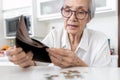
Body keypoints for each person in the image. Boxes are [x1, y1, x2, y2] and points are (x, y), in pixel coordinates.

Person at [6, 0, 111, 68]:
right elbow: (37, 63)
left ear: (89, 18)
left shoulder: (100, 40)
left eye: (80, 12)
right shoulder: (54, 35)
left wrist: (79, 64)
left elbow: (104, 76)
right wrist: (25, 61)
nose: (72, 18)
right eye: (67, 10)